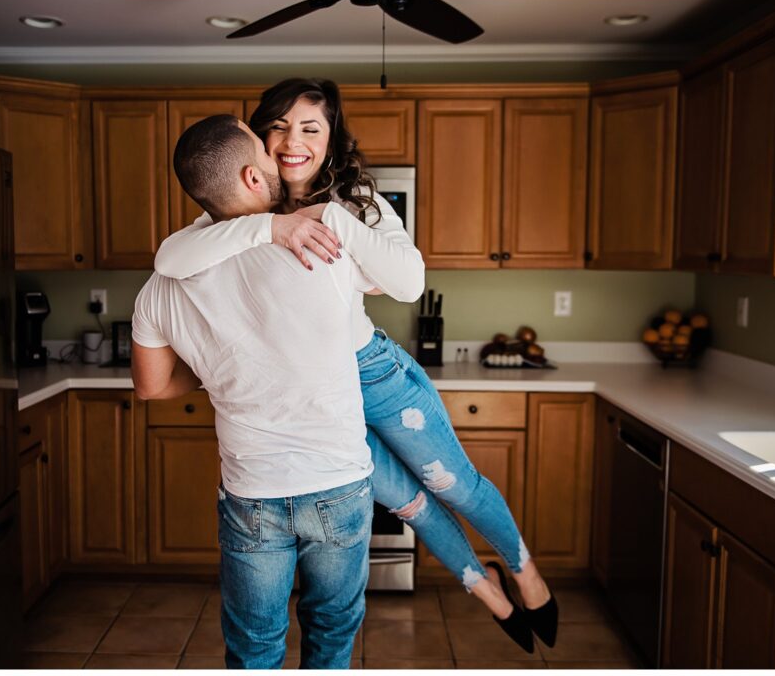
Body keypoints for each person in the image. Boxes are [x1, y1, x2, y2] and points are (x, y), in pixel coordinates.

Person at [153, 78, 559, 652]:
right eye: (279, 126)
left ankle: (525, 574)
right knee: (409, 504)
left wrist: (332, 219)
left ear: (329, 140)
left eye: (311, 128)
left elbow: (410, 282)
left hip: (373, 376)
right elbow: (169, 259)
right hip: (312, 410)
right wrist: (275, 225)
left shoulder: (357, 200)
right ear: (255, 141)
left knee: (455, 487)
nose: (293, 141)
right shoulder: (236, 214)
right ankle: (487, 589)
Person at [131, 114, 376, 669]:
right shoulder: (320, 245)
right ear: (249, 177)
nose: (279, 167)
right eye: (268, 160)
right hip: (338, 481)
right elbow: (399, 279)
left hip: (253, 492)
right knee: (331, 636)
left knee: (254, 648)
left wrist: (218, 367)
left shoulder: (158, 289)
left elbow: (150, 387)